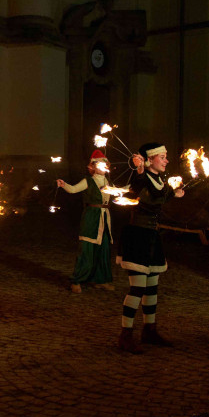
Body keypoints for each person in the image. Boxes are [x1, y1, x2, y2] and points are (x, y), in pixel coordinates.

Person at [115, 142, 184, 353]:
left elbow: (159, 196)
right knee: (138, 288)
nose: (166, 160)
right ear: (150, 159)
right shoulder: (142, 177)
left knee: (152, 286)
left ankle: (149, 330)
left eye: (166, 156)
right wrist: (139, 168)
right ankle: (125, 335)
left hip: (152, 236)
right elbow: (140, 188)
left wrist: (175, 192)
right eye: (162, 156)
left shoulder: (158, 180)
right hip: (137, 236)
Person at [56, 149, 115, 294]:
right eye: (100, 164)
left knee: (103, 250)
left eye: (105, 164)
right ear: (93, 167)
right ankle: (76, 280)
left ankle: (100, 280)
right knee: (87, 250)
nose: (104, 166)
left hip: (104, 219)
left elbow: (117, 192)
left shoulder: (108, 181)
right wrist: (64, 185)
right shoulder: (88, 181)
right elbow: (73, 189)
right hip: (91, 218)